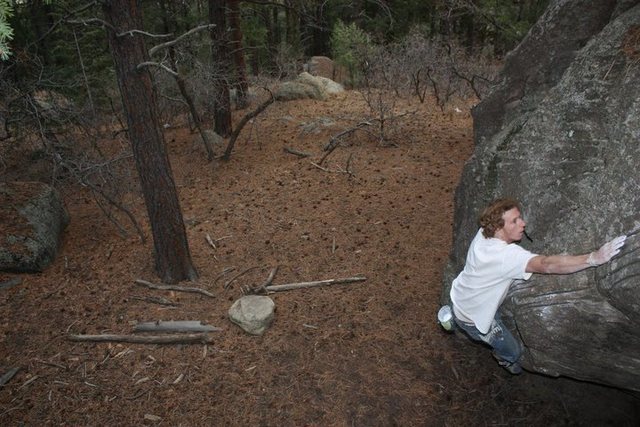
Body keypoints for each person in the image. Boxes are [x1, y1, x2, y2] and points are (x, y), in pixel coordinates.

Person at [449, 198, 626, 374]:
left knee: (479, 313)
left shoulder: (482, 233)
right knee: (513, 351)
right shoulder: (505, 256)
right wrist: (592, 258)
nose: (523, 224)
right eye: (514, 221)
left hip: (460, 294)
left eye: (520, 218)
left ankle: (451, 318)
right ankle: (505, 360)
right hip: (472, 318)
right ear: (497, 228)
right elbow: (546, 264)